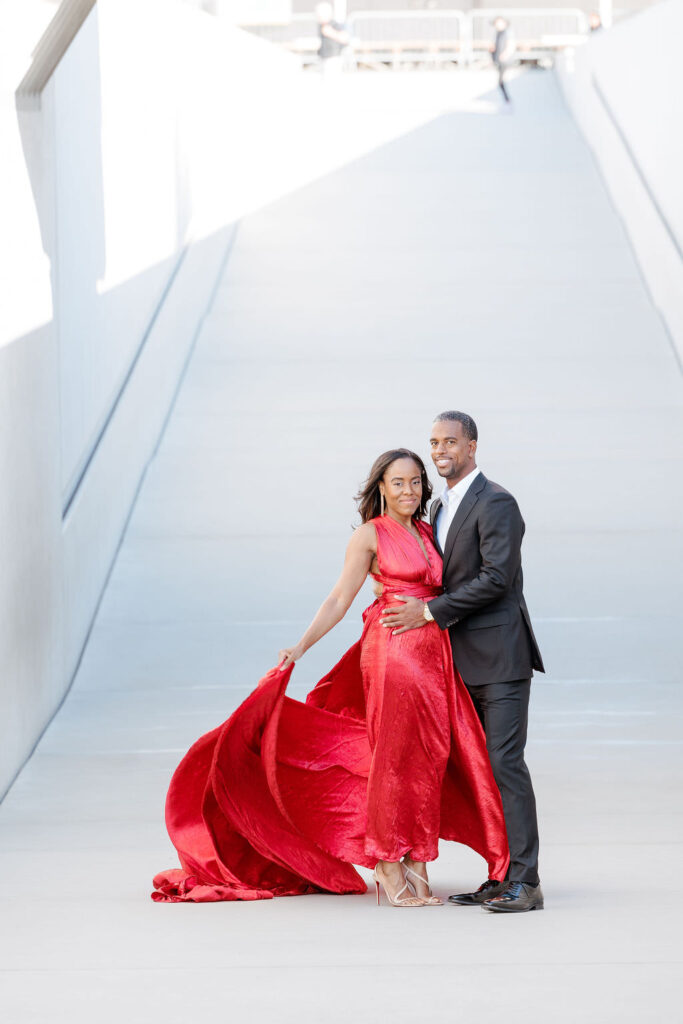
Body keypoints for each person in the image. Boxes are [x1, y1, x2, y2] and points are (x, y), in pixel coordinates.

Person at [152, 449, 509, 907]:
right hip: (392, 651)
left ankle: (418, 857)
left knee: (430, 756)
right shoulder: (369, 535)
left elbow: (446, 591)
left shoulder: (426, 530)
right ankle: (385, 860)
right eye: (398, 482)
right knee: (393, 757)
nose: (408, 491)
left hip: (433, 655)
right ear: (380, 486)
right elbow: (340, 598)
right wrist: (300, 647)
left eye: (416, 482)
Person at [379, 412, 545, 912]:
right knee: (479, 771)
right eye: (433, 442)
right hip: (456, 663)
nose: (440, 449)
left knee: (505, 765)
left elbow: (497, 577)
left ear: (472, 446)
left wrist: (428, 611)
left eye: (450, 441)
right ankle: (500, 874)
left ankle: (527, 882)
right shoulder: (438, 505)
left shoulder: (497, 502)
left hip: (502, 657)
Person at [315, 1, 349, 76]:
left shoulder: (335, 24)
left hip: (334, 57)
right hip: (323, 57)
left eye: (320, 14)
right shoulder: (321, 26)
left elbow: (345, 38)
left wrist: (331, 33)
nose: (318, 16)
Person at [491, 17, 515, 105]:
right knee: (500, 81)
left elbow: (511, 45)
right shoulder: (498, 33)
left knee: (501, 81)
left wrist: (505, 54)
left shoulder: (507, 32)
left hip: (505, 61)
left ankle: (507, 100)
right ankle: (506, 100)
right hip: (499, 60)